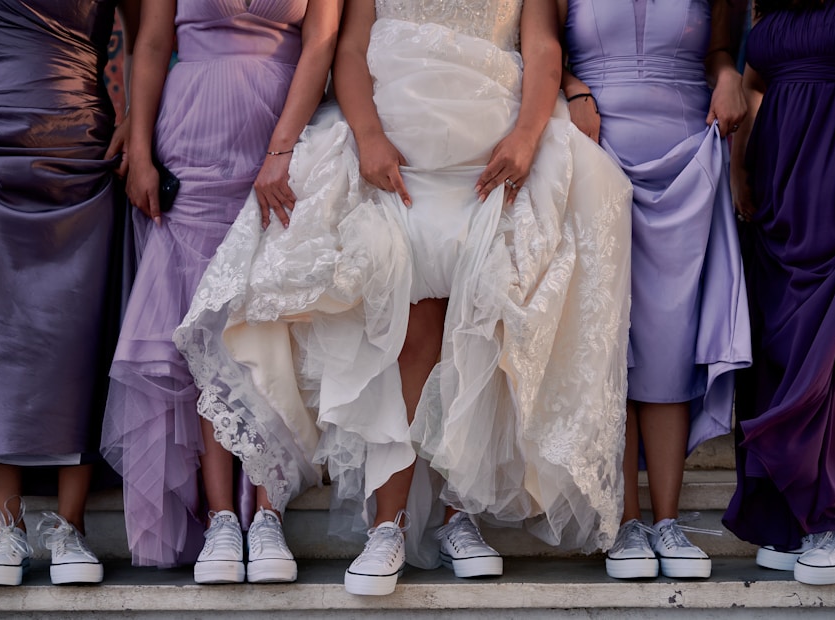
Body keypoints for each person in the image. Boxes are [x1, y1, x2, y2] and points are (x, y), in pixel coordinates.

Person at [175, 0, 633, 597]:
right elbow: (350, 48)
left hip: (489, 153)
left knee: (481, 317)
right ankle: (387, 525)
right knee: (409, 325)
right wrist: (368, 137)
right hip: (396, 155)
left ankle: (459, 513)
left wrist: (526, 136)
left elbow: (543, 45)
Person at [100, 0, 341, 583]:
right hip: (192, 140)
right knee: (202, 321)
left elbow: (321, 42)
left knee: (267, 315)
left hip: (282, 132)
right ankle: (221, 519)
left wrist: (281, 148)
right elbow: (151, 43)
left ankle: (268, 512)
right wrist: (139, 148)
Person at [560, 0, 752, 580]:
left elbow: (720, 51)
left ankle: (667, 521)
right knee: (610, 339)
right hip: (595, 152)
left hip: (686, 157)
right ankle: (625, 521)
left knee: (669, 341)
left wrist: (728, 74)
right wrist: (571, 88)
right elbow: (536, 47)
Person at [0, 0, 139, 586]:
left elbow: (147, 37)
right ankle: (5, 528)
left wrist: (136, 119)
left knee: (78, 335)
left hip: (82, 146)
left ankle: (71, 528)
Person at [726, 0, 835, 586]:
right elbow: (753, 85)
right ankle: (794, 517)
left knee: (832, 354)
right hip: (780, 190)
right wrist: (740, 167)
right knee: (781, 349)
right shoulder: (770, 2)